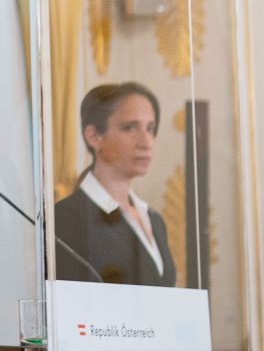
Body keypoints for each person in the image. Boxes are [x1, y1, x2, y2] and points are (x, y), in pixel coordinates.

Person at [54, 81, 178, 287]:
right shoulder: (66, 218)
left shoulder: (154, 220)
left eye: (150, 128)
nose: (146, 142)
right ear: (94, 136)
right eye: (130, 128)